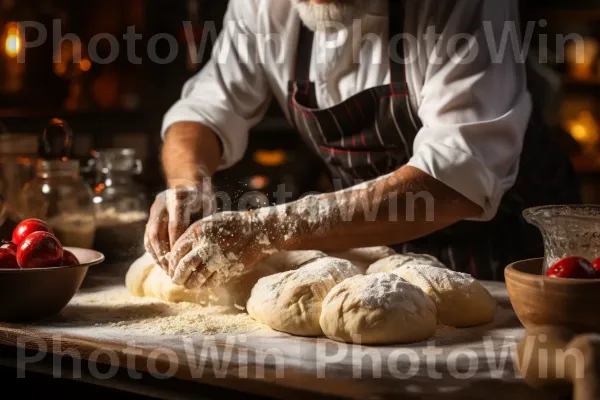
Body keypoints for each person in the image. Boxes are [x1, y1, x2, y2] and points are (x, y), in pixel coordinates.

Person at [145, 0, 580, 289]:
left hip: (509, 263)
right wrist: (189, 183)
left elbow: (454, 179)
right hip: (377, 260)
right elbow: (204, 109)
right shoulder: (266, 5)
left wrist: (267, 229)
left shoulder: (459, 5)